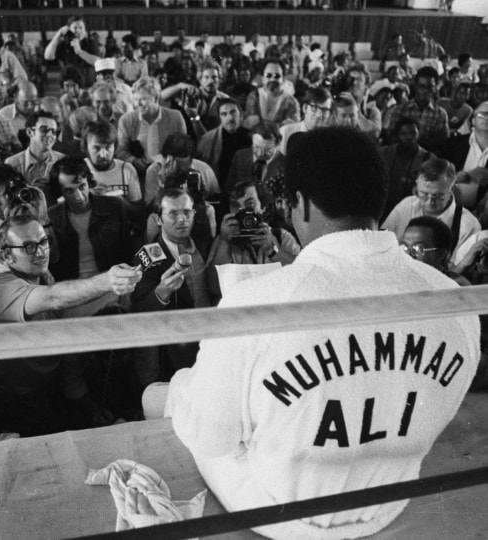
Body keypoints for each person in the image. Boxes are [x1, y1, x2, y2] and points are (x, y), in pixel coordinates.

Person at [148, 126, 480, 539]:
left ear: (301, 205)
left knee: (169, 393)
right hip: (390, 495)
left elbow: (211, 438)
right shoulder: (456, 302)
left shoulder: (256, 302)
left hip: (285, 512)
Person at [0, 213, 142, 436]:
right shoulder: (2, 288)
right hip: (23, 395)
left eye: (43, 242)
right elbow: (53, 298)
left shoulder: (37, 270)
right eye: (27, 246)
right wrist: (107, 282)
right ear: (6, 255)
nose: (39, 252)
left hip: (51, 378)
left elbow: (62, 307)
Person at [132, 187, 212, 380]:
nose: (182, 219)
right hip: (176, 342)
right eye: (173, 213)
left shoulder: (203, 241)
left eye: (187, 212)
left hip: (210, 332)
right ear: (158, 219)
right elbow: (139, 309)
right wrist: (162, 291)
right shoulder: (148, 255)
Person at [47, 157, 135, 286]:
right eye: (69, 191)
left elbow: (128, 253)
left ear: (88, 182)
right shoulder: (52, 217)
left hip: (112, 286)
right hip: (71, 290)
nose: (79, 197)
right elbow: (51, 264)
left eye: (82, 186)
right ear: (60, 191)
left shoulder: (114, 206)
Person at [207, 180, 301, 299]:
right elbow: (213, 288)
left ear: (263, 207)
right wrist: (224, 242)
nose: (243, 210)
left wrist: (273, 251)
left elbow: (301, 273)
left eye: (249, 204)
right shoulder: (224, 240)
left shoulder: (281, 237)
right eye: (235, 205)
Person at [382, 158, 480, 264]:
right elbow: (382, 244)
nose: (429, 202)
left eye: (438, 196)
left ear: (452, 189)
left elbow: (459, 272)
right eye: (423, 194)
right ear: (417, 183)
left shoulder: (468, 226)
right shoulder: (406, 205)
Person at [0, 164, 52, 277]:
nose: (16, 197)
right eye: (8, 193)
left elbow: (54, 257)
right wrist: (12, 227)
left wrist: (42, 218)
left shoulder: (30, 220)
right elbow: (9, 276)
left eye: (19, 190)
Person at [117, 76, 187, 179]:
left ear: (156, 99)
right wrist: (139, 163)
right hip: (138, 177)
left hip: (169, 176)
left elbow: (183, 149)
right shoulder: (126, 120)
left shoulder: (176, 117)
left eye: (143, 99)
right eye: (135, 99)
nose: (137, 104)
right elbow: (121, 153)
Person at [380, 117, 436, 219]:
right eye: (404, 134)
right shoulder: (384, 153)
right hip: (384, 207)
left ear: (418, 133)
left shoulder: (428, 159)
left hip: (412, 211)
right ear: (397, 135)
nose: (409, 137)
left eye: (412, 133)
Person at [387, 66, 449, 152]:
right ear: (415, 86)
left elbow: (442, 141)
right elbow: (392, 138)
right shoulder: (400, 110)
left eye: (430, 87)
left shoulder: (440, 114)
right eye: (421, 86)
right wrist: (426, 140)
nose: (425, 91)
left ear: (435, 88)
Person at [196, 97, 252, 191]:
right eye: (224, 114)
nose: (230, 118)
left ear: (241, 114)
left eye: (233, 112)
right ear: (220, 118)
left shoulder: (252, 138)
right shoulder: (207, 140)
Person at [5, 111, 66, 186]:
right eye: (44, 129)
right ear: (30, 132)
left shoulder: (62, 161)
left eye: (54, 131)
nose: (50, 135)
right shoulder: (12, 163)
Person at [244, 58, 300, 129]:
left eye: (277, 76)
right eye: (268, 75)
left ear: (282, 79)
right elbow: (250, 123)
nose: (272, 79)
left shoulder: (291, 102)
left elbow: (291, 127)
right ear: (263, 78)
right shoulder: (254, 96)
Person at [44, 16, 97, 87]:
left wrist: (80, 52)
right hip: (69, 85)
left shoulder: (91, 43)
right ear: (69, 29)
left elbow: (97, 61)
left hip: (89, 86)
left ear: (85, 29)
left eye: (81, 27)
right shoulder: (64, 44)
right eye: (75, 28)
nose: (78, 31)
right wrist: (58, 35)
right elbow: (48, 56)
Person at [279, 87, 332, 155]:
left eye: (325, 110)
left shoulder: (331, 138)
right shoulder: (286, 132)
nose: (319, 114)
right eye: (314, 108)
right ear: (305, 108)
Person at [439, 100, 488, 172]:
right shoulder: (453, 144)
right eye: (481, 115)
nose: (486, 118)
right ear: (473, 121)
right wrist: (453, 177)